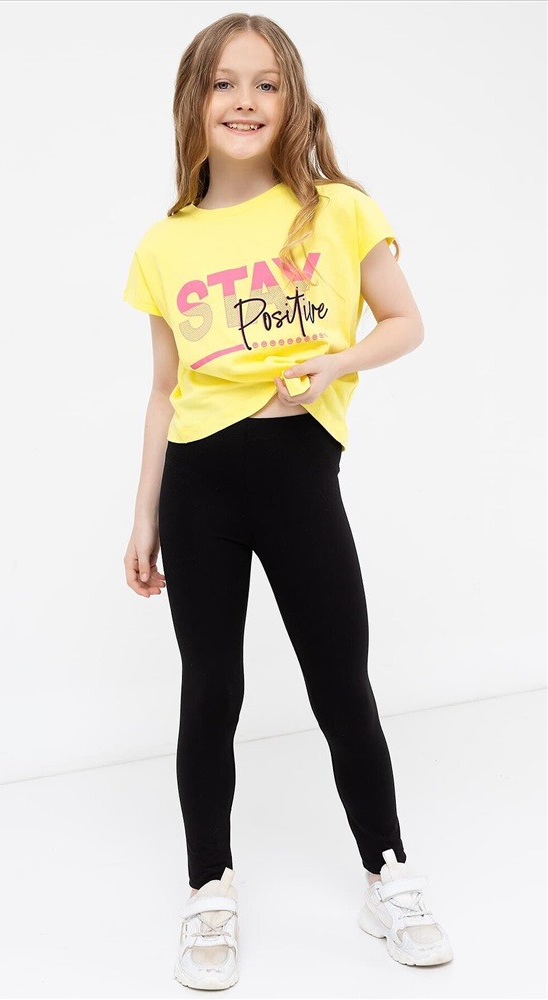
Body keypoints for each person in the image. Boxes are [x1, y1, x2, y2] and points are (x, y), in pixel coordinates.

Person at [122, 12, 454, 990]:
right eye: (224, 83)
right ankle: (208, 886)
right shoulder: (164, 244)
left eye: (265, 83)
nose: (245, 101)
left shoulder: (337, 210)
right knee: (209, 690)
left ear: (292, 99)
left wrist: (334, 364)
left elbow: (404, 321)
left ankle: (387, 873)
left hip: (298, 473)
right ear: (194, 101)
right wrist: (142, 516)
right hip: (197, 483)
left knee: (339, 682)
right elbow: (162, 391)